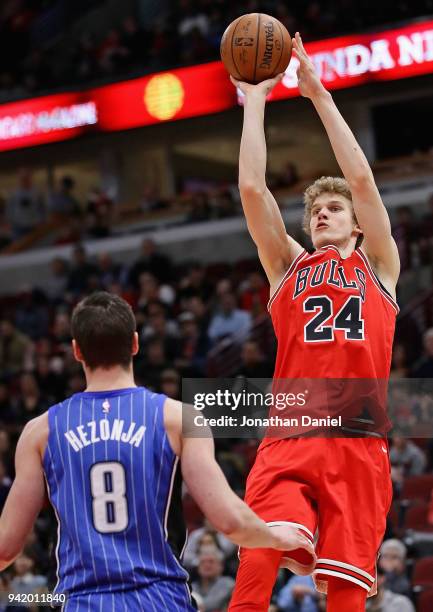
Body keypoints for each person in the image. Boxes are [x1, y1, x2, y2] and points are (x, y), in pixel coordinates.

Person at [229, 33, 400, 612]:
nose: (322, 213)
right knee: (257, 559)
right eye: (314, 210)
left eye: (334, 210)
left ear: (356, 226)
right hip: (291, 430)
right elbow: (252, 189)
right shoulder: (287, 267)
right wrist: (254, 101)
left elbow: (363, 181)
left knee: (347, 598)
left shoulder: (377, 265)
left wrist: (318, 96)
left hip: (358, 438)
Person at [0, 292, 311, 610]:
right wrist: (276, 537)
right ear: (135, 344)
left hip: (82, 601)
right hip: (160, 599)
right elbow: (230, 521)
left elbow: (6, 549)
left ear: (77, 351)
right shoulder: (179, 419)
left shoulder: (40, 431)